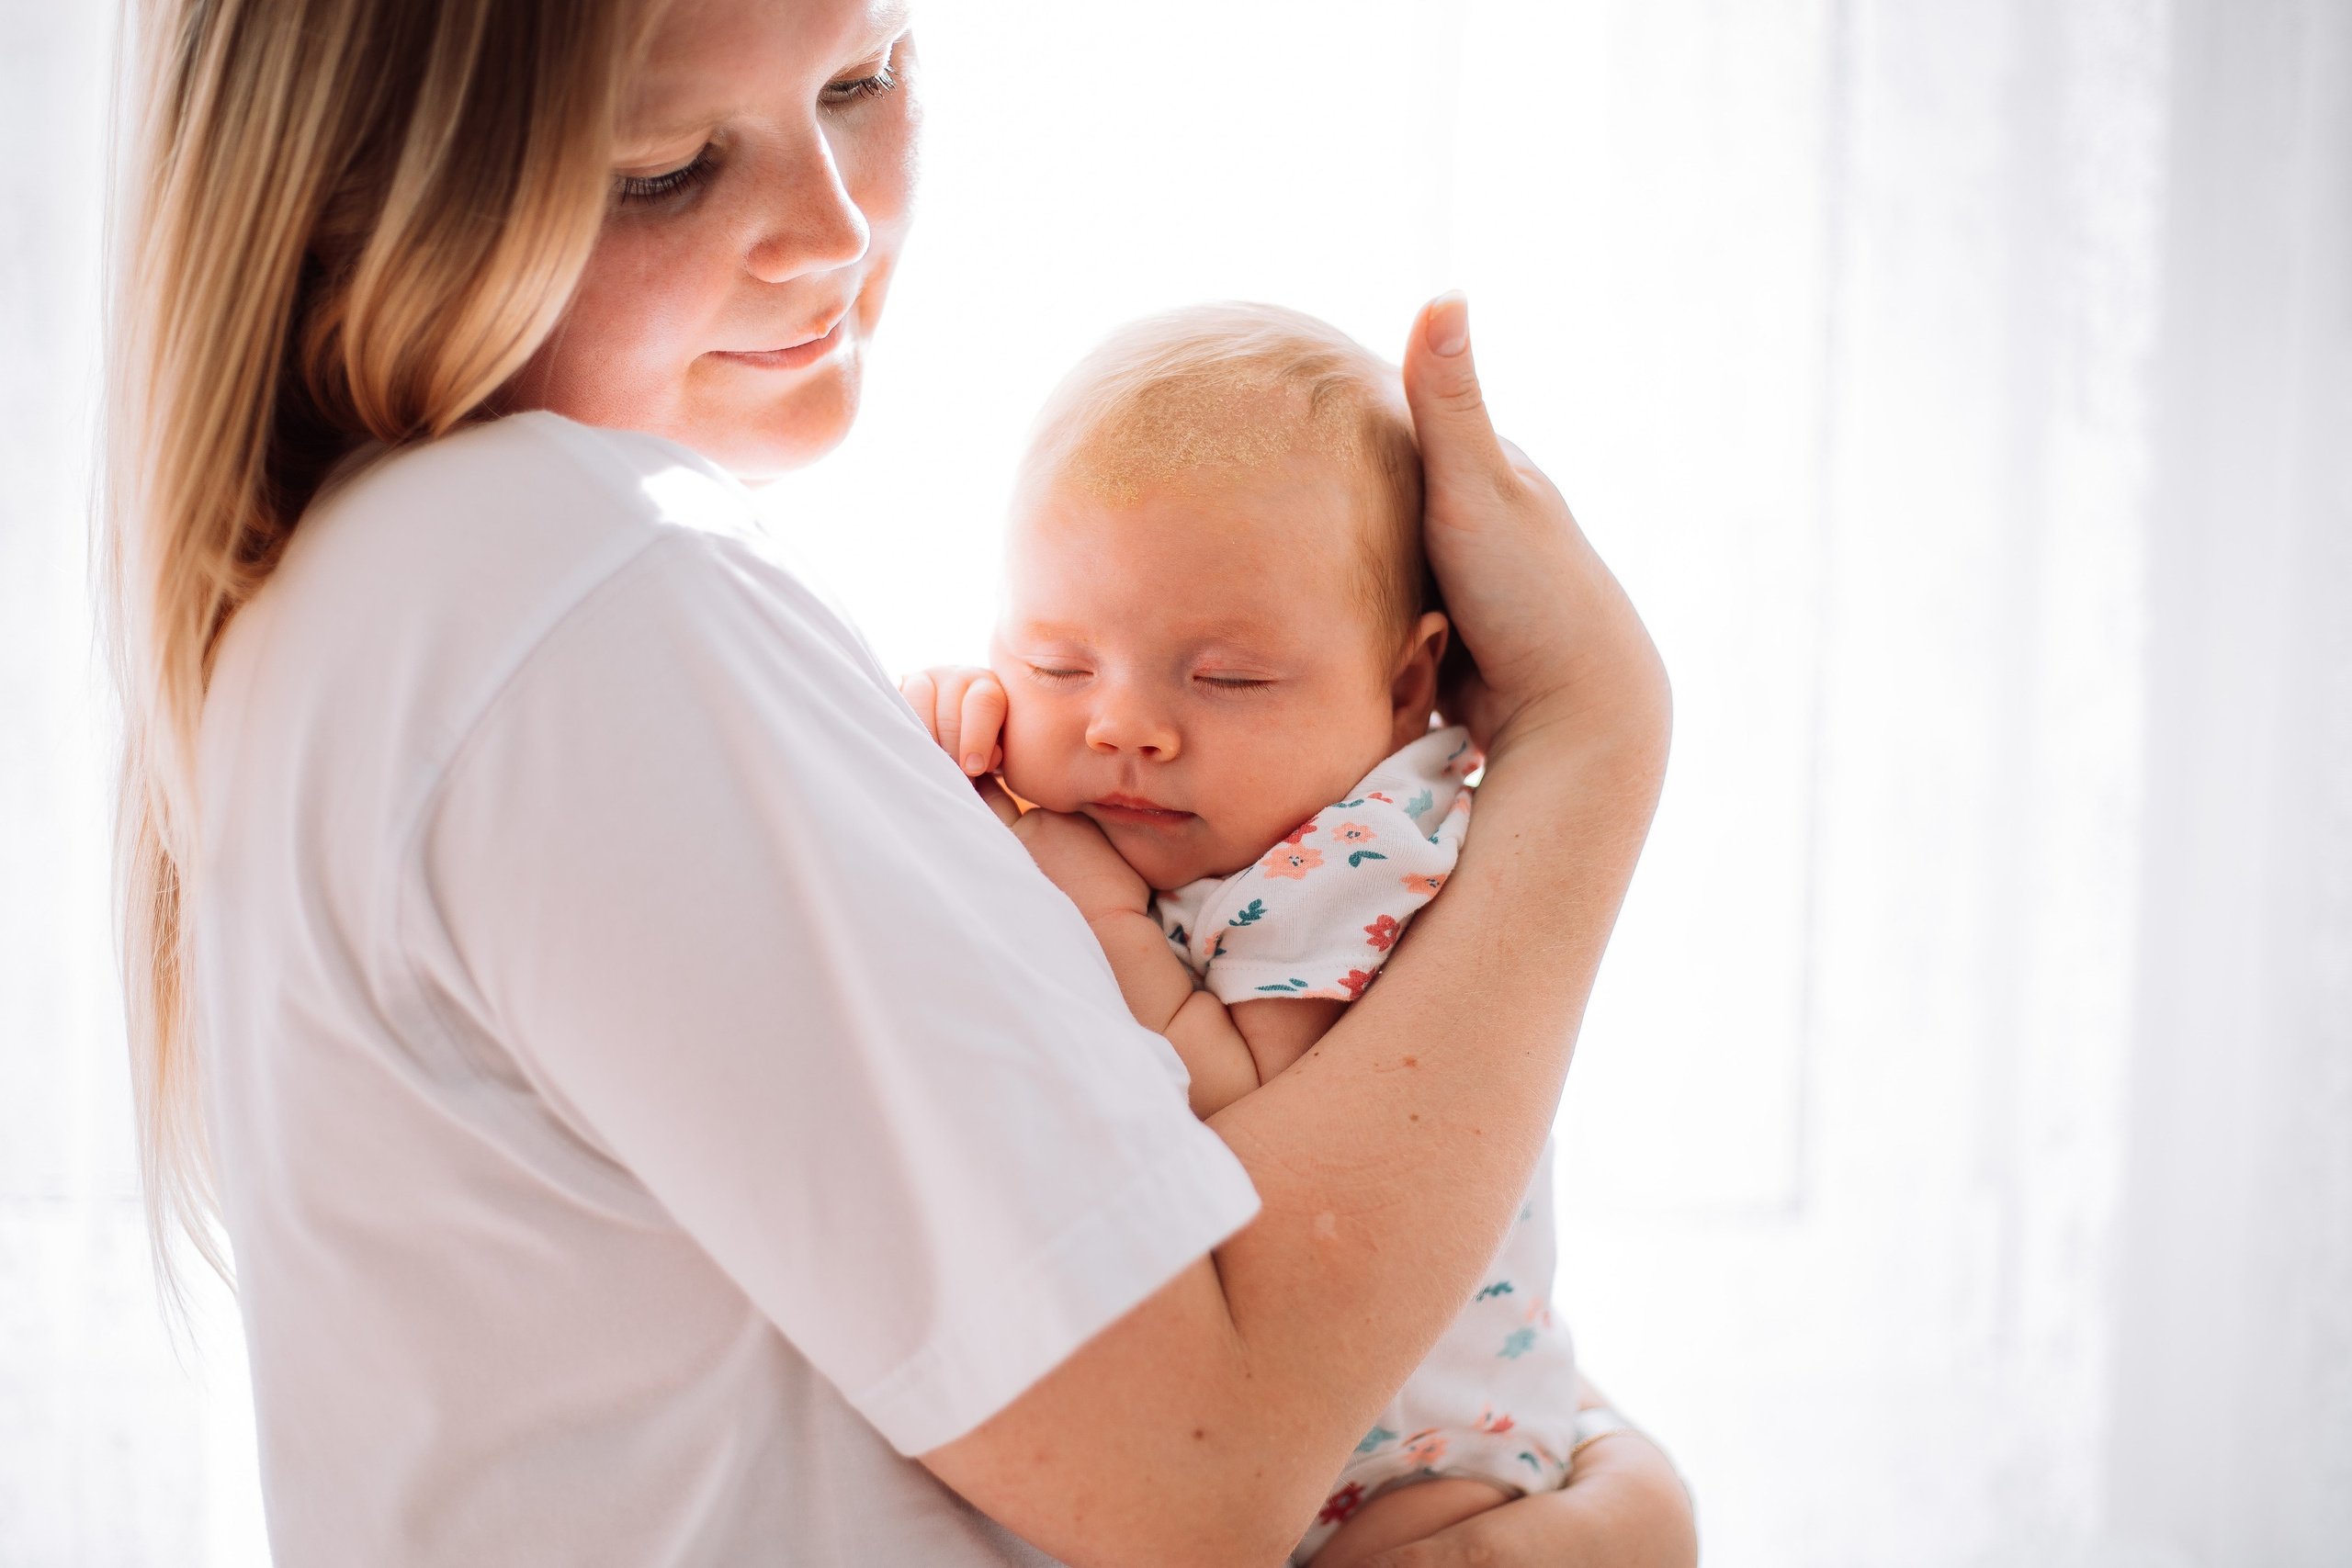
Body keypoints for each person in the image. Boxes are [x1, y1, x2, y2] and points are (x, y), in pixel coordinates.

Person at [102, 0, 1691, 1564]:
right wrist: (1590, 738)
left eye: (862, 78)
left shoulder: (413, 597)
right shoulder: (573, 581)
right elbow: (1203, 1463)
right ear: (354, 199)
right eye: (663, 164)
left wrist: (1578, 1458)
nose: (834, 222)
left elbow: (1156, 1294)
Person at [899, 303, 1583, 1565]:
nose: (1125, 728)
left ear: (1400, 687)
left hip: (1426, 1464)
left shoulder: (1370, 848)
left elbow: (1249, 1130)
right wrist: (939, 733)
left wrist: (1095, 905)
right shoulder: (1155, 808)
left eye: (1225, 680)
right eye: (1055, 664)